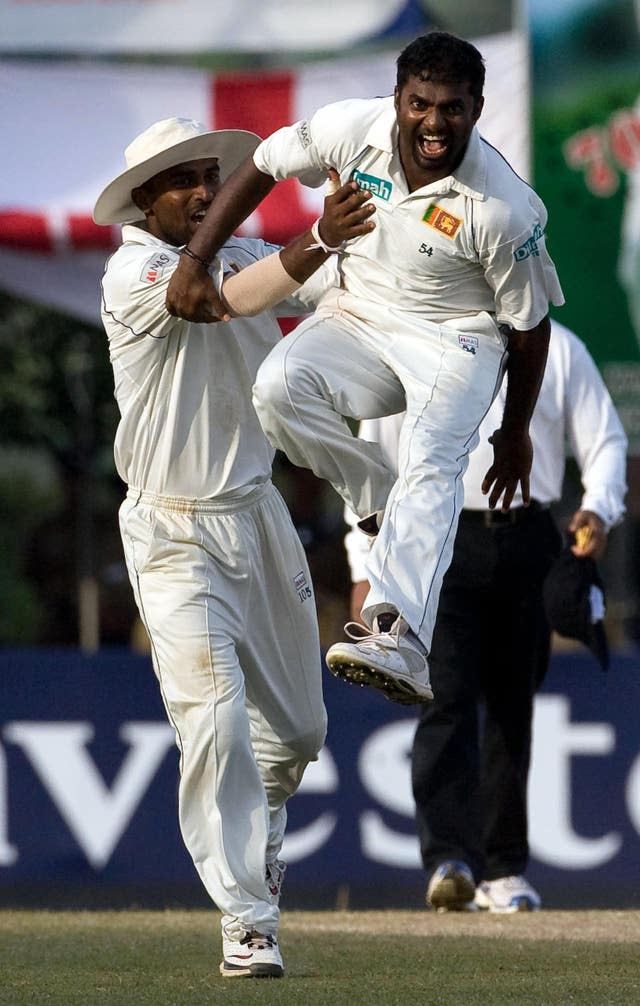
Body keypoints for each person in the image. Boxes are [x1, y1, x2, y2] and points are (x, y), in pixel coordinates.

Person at [164, 31, 565, 707]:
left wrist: (515, 432)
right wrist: (193, 261)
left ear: (477, 107)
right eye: (421, 103)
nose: (434, 122)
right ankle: (375, 495)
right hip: (360, 308)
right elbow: (262, 163)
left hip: (457, 338)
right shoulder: (351, 128)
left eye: (453, 107)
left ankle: (400, 638)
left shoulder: (505, 208)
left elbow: (528, 326)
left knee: (433, 458)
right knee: (279, 389)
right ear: (398, 97)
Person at [92, 116, 375, 978]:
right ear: (146, 199)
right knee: (212, 720)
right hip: (171, 528)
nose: (206, 192)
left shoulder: (246, 247)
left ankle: (262, 846)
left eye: (212, 178)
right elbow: (209, 303)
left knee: (295, 734)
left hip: (256, 515)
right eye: (185, 182)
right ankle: (248, 921)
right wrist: (316, 238)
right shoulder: (133, 271)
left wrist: (382, 265)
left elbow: (327, 297)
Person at [344, 319, 628, 912]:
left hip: (529, 534)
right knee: (441, 697)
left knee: (512, 703)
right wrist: (363, 567)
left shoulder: (561, 349)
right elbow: (368, 463)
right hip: (436, 537)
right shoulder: (413, 344)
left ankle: (504, 869)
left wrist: (598, 507)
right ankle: (449, 860)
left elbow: (604, 441)